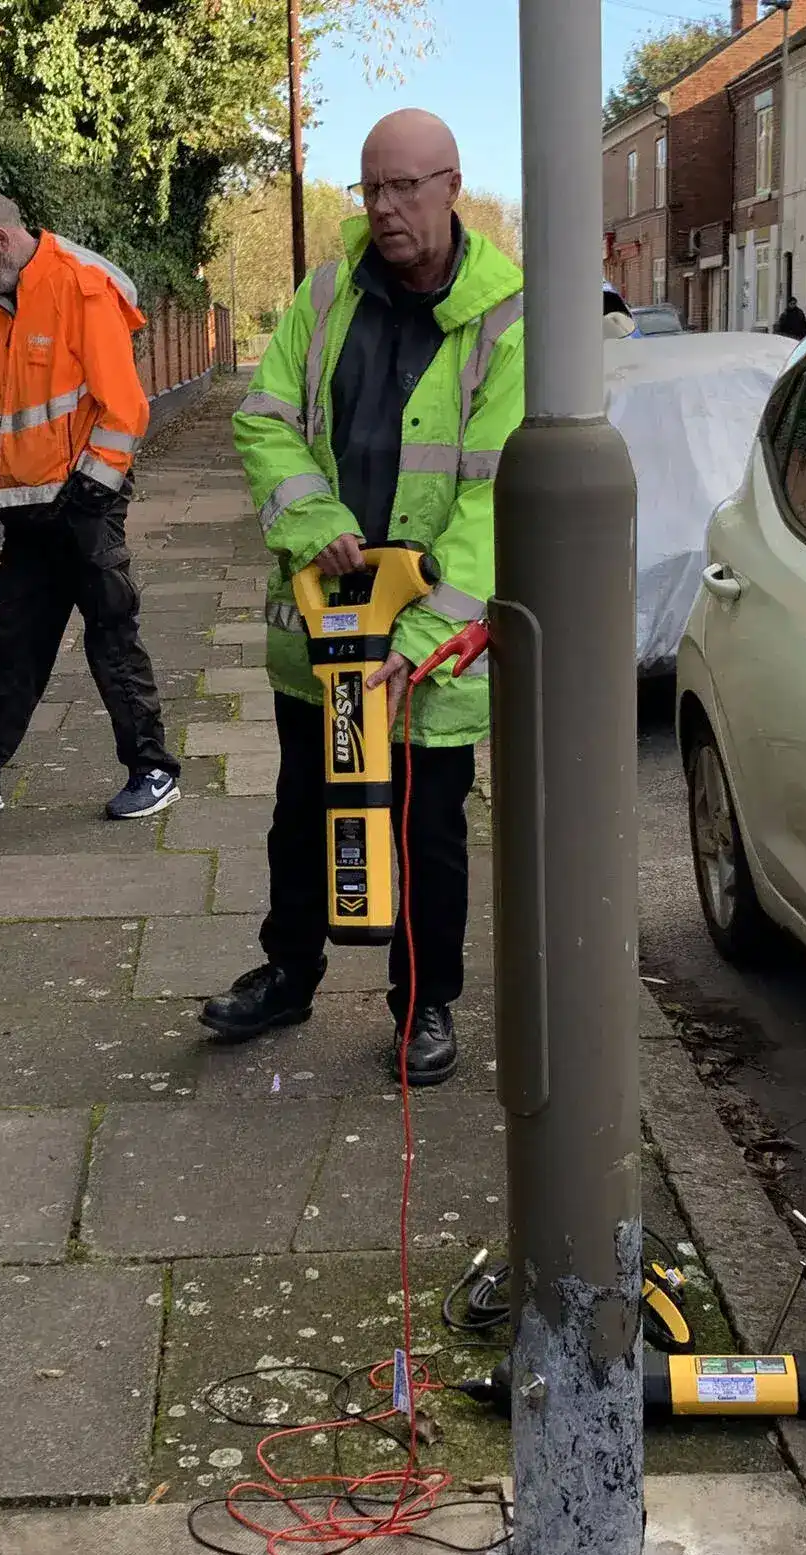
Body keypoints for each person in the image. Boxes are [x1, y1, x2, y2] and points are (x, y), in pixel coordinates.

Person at [200, 110, 525, 1087]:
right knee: (304, 813)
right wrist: (310, 519)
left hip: (424, 653)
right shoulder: (329, 290)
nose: (384, 208)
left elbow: (493, 497)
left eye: (404, 188)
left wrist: (420, 641)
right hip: (325, 630)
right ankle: (289, 974)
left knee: (426, 833)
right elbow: (264, 420)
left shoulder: (505, 317)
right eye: (370, 188)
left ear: (451, 185)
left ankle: (424, 1007)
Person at [0, 189, 181, 824]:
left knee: (110, 633)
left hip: (83, 502)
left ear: (1, 240)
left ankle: (153, 770)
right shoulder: (7, 301)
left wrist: (93, 487)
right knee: (12, 644)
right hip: (30, 510)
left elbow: (125, 406)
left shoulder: (78, 287)